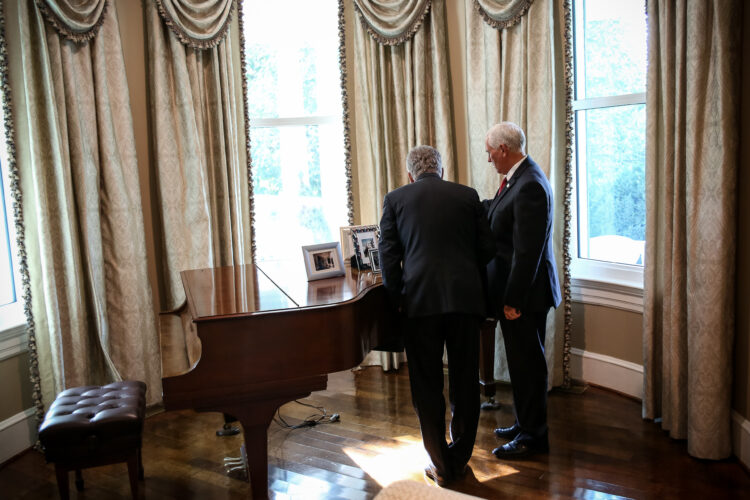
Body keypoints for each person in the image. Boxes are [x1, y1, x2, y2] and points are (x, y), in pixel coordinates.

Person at [379, 145, 495, 486]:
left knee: (427, 385)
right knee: (464, 381)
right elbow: (487, 249)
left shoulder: (395, 199)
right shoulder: (468, 195)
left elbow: (388, 256)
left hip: (419, 304)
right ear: (441, 170)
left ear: (410, 174)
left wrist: (398, 297)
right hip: (464, 302)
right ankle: (458, 458)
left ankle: (440, 464)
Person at [482, 122, 561, 458]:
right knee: (520, 364)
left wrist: (513, 300)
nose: (489, 160)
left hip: (525, 297)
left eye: (490, 153)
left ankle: (533, 437)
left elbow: (527, 252)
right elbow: (498, 210)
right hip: (521, 294)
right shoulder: (519, 177)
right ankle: (524, 422)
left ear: (503, 149)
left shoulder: (529, 184)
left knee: (528, 366)